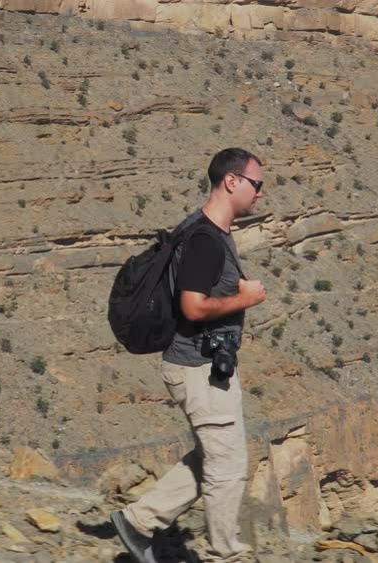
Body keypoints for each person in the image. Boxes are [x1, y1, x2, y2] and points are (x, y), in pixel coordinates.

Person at [111, 148, 267, 563]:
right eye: (257, 184)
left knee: (209, 458)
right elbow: (193, 307)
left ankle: (138, 521)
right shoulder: (205, 241)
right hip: (199, 370)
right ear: (232, 181)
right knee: (228, 468)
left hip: (199, 367)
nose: (261, 195)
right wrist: (244, 298)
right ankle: (225, 554)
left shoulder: (205, 230)